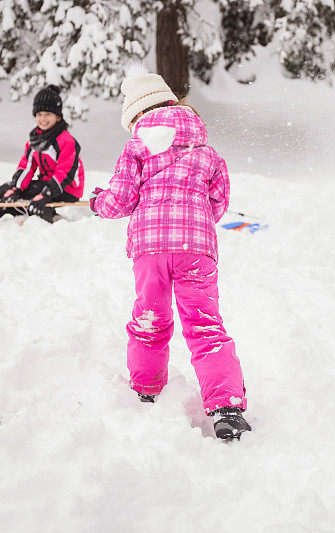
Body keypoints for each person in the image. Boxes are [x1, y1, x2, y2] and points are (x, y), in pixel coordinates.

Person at [89, 67, 250, 441]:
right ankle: (227, 408)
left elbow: (120, 200)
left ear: (137, 115)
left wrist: (99, 203)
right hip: (196, 249)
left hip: (150, 249)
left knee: (150, 318)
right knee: (205, 326)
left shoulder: (137, 147)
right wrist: (193, 224)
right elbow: (218, 201)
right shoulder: (206, 150)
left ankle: (146, 391)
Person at [0, 85, 85, 223]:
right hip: (46, 184)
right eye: (39, 114)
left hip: (67, 189)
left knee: (31, 191)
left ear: (58, 117)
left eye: (48, 114)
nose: (43, 119)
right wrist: (15, 188)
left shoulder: (66, 141)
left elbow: (64, 173)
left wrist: (46, 194)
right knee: (7, 189)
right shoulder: (35, 140)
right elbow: (26, 167)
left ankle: (44, 216)